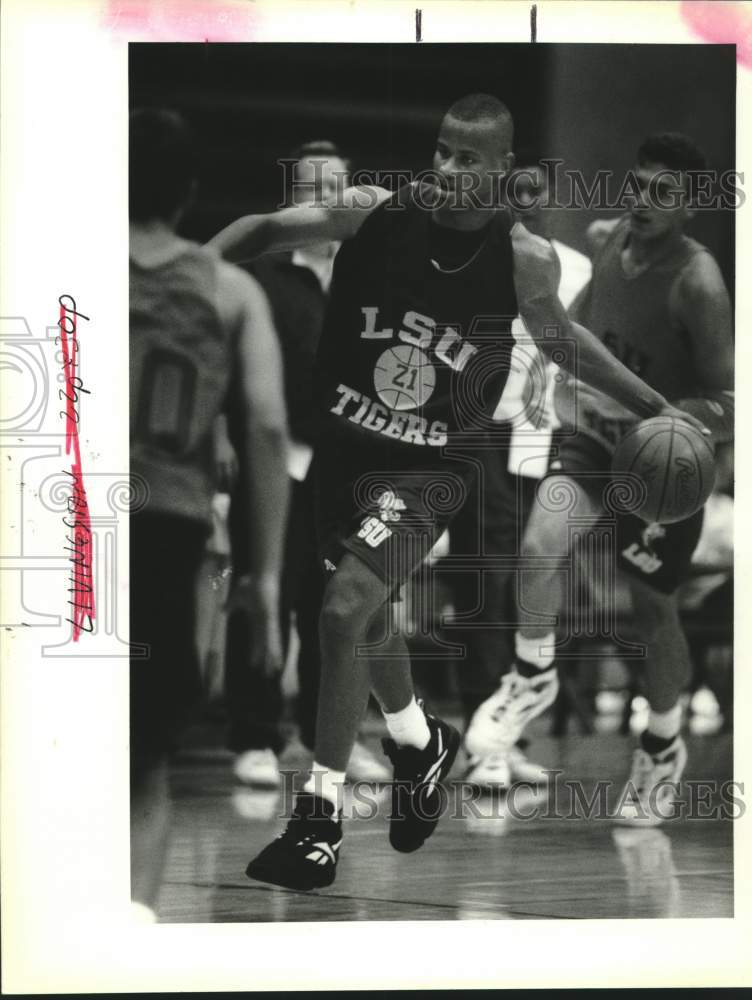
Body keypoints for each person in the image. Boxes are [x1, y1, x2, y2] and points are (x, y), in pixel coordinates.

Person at [210, 97, 706, 890]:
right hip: (344, 450)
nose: (447, 169)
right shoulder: (375, 213)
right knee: (363, 618)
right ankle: (419, 741)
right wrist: (199, 285)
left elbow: (561, 340)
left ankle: (319, 818)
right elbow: (264, 230)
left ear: (501, 169)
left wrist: (654, 405)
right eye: (441, 152)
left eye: (468, 159)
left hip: (432, 462)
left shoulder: (525, 258)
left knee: (343, 609)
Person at [467, 132, 734, 825]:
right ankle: (531, 676)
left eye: (664, 193)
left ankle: (663, 741)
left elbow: (731, 400)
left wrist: (672, 424)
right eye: (640, 184)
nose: (644, 200)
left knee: (653, 610)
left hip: (660, 463)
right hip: (589, 441)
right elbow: (576, 335)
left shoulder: (698, 282)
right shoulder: (608, 237)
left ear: (692, 208)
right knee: (537, 549)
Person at [129, 108, 289, 917]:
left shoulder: (49, 267)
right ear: (190, 192)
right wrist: (262, 578)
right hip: (164, 527)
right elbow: (265, 426)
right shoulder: (230, 289)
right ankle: (132, 921)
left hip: (63, 530)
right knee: (143, 761)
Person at [219, 141, 390, 787]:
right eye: (311, 186)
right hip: (275, 458)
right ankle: (256, 735)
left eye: (336, 187)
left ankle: (332, 738)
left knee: (341, 604)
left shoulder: (371, 269)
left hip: (348, 462)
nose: (325, 198)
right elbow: (223, 362)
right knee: (266, 592)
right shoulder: (261, 270)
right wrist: (220, 435)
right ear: (290, 195)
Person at [449, 162, 592, 788]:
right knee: (484, 574)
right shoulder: (476, 255)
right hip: (479, 425)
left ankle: (508, 733)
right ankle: (483, 745)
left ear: (552, 197)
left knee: (534, 578)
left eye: (538, 191)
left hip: (543, 431)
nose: (527, 201)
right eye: (517, 191)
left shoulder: (579, 267)